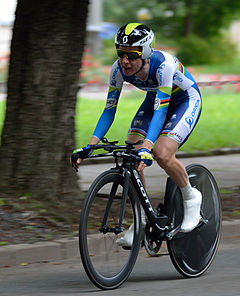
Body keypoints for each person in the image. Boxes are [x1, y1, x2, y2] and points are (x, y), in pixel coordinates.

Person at [72, 23, 202, 247]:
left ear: (146, 53)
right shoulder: (118, 70)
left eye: (132, 56)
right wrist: (90, 145)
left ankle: (191, 196)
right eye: (121, 54)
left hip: (184, 101)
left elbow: (162, 112)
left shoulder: (163, 65)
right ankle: (141, 218)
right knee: (131, 151)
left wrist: (148, 146)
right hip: (156, 99)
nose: (125, 61)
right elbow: (109, 110)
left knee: (161, 153)